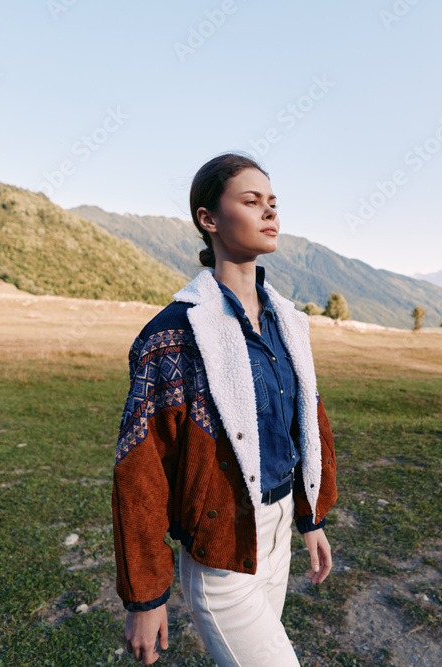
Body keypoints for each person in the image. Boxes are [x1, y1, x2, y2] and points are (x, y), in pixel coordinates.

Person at [112, 152, 338, 665]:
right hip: (221, 547)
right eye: (252, 201)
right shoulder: (173, 334)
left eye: (273, 203)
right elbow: (139, 467)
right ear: (208, 219)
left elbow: (306, 422)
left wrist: (310, 516)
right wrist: (145, 596)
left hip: (278, 532)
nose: (270, 213)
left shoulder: (288, 321)